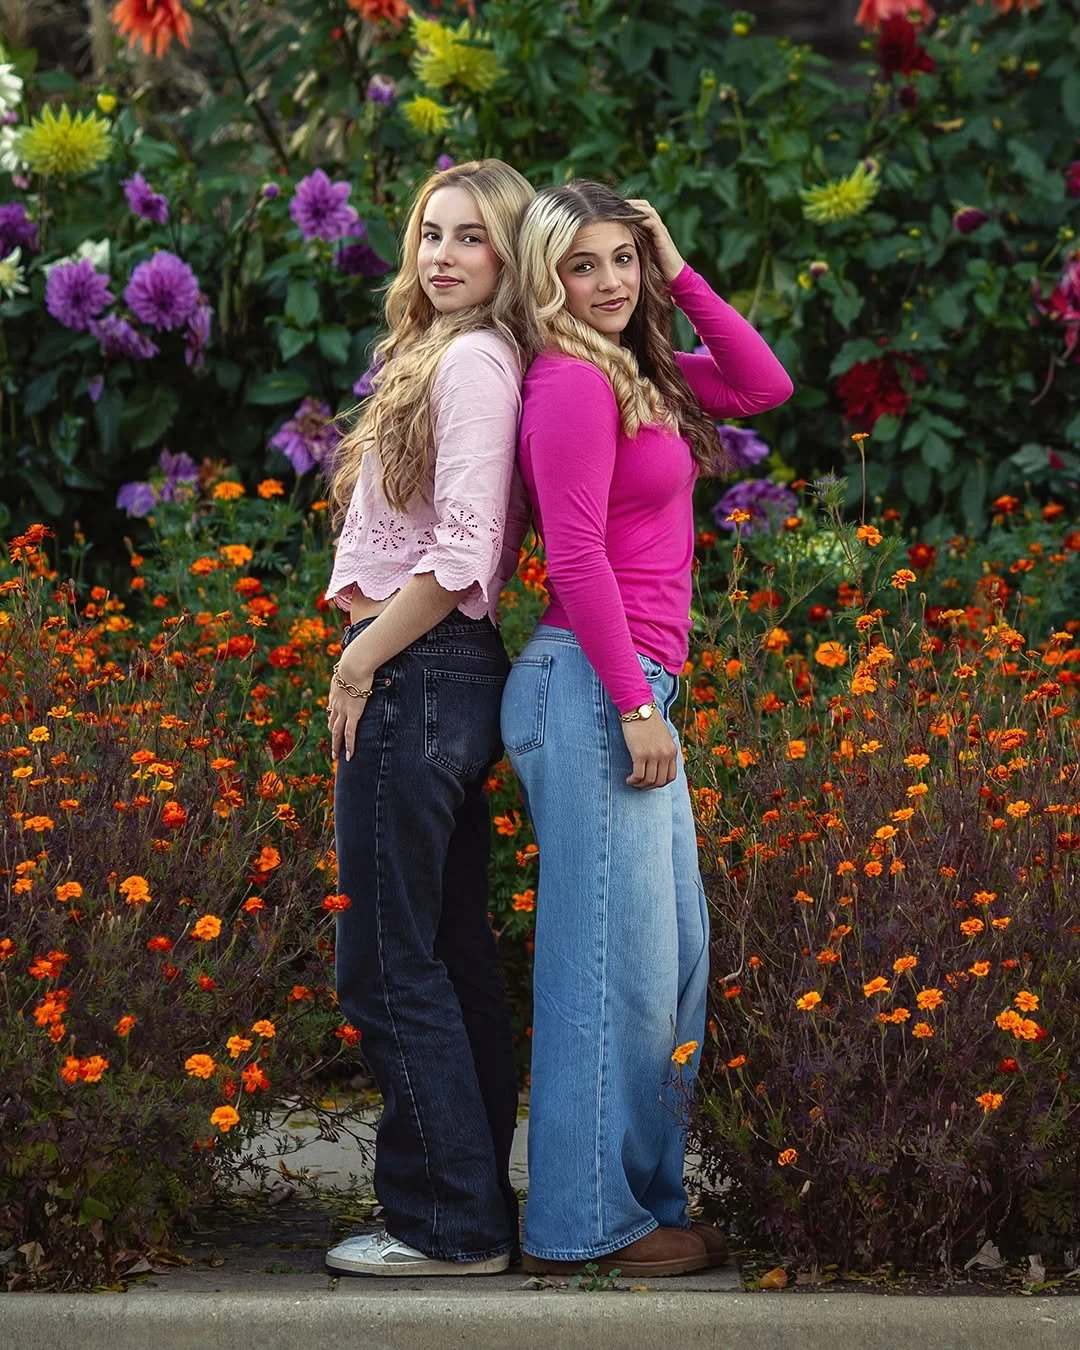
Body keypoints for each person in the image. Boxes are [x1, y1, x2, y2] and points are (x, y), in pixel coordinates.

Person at [501, 181, 793, 1278]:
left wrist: (677, 263)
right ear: (546, 280)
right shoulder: (572, 384)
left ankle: (640, 1202)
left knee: (668, 960)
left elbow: (765, 384)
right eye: (585, 266)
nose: (610, 282)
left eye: (623, 259)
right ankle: (585, 1224)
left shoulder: (640, 373)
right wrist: (632, 704)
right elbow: (574, 559)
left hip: (625, 688)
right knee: (608, 966)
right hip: (590, 686)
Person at [321, 159, 534, 1277]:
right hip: (438, 675)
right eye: (431, 234)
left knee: (387, 962)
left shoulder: (475, 367)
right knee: (444, 954)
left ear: (506, 260)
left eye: (470, 239)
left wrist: (360, 660)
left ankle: (446, 1227)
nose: (442, 255)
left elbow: (458, 556)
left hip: (420, 672)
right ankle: (468, 1215)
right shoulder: (438, 358)